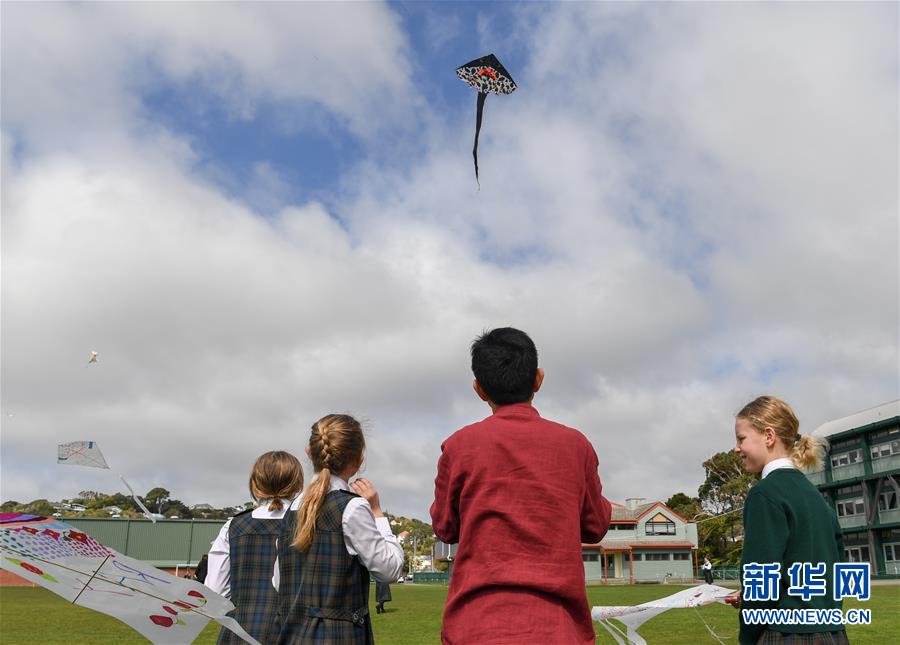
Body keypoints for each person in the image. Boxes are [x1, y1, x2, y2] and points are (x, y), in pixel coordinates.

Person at [430, 327, 612, 645]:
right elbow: (595, 526)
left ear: (479, 389)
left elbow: (445, 527)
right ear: (538, 379)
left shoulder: (459, 447)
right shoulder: (576, 446)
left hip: (476, 626)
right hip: (558, 628)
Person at [275, 414, 404, 644]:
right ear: (359, 459)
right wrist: (377, 513)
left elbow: (278, 581)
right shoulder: (352, 507)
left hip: (292, 634)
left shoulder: (292, 507)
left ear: (309, 452)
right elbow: (389, 569)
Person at [730, 395, 847, 645]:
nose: (736, 448)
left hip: (785, 634)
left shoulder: (765, 493)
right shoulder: (816, 496)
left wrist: (748, 636)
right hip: (833, 633)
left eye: (741, 438)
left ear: (769, 436)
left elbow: (762, 577)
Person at [205, 450, 304, 644]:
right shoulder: (308, 524)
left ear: (255, 483)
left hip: (240, 632)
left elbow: (215, 592)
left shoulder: (233, 526)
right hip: (293, 631)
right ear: (297, 483)